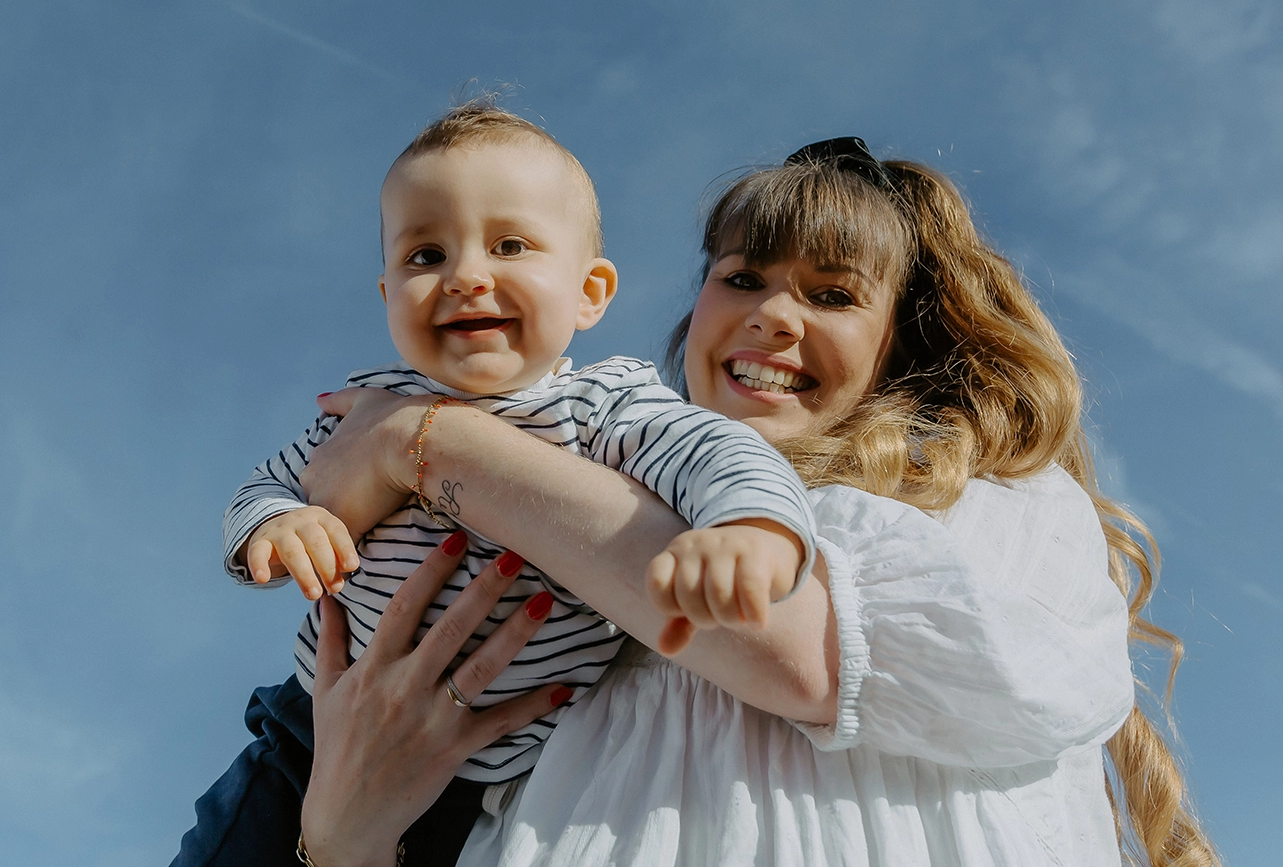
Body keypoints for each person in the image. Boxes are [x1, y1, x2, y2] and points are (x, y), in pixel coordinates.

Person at [291, 137, 1219, 867]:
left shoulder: (981, 499)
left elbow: (799, 654)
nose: (773, 314)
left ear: (902, 342)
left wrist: (427, 440)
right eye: (741, 279)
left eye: (834, 294)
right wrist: (345, 842)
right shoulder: (581, 577)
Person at [174, 102, 825, 866]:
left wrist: (753, 532)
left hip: (496, 792)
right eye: (425, 256)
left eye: (510, 245)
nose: (466, 277)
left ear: (590, 292)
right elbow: (268, 487)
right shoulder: (369, 407)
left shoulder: (606, 408)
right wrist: (275, 528)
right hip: (309, 735)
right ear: (387, 297)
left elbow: (715, 454)